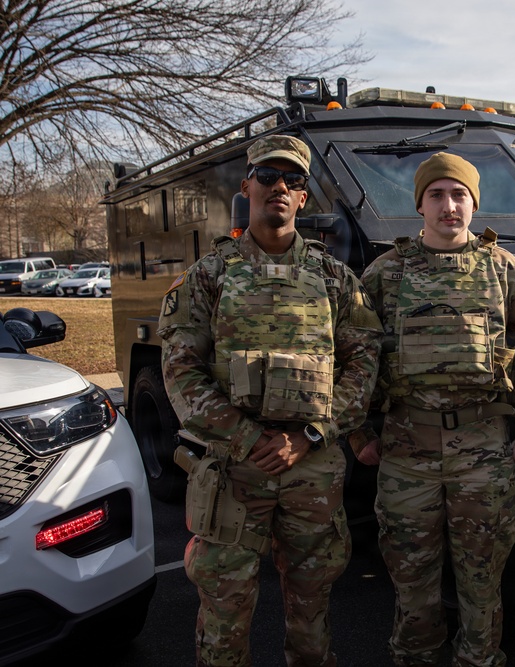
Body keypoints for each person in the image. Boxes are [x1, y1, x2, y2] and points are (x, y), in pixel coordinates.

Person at [158, 134, 383, 667]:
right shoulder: (209, 276)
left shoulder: (334, 279)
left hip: (312, 466)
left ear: (304, 197)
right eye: (268, 176)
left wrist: (311, 436)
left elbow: (364, 366)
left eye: (294, 180)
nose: (280, 187)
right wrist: (249, 438)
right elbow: (181, 371)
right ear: (248, 186)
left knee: (313, 608)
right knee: (224, 607)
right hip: (234, 468)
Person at [358, 152, 515, 666]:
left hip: (483, 453)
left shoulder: (503, 271)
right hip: (407, 454)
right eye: (437, 195)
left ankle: (479, 659)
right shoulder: (386, 273)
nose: (449, 206)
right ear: (420, 204)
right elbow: (349, 355)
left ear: (474, 203)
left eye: (459, 195)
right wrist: (358, 433)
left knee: (482, 583)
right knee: (412, 584)